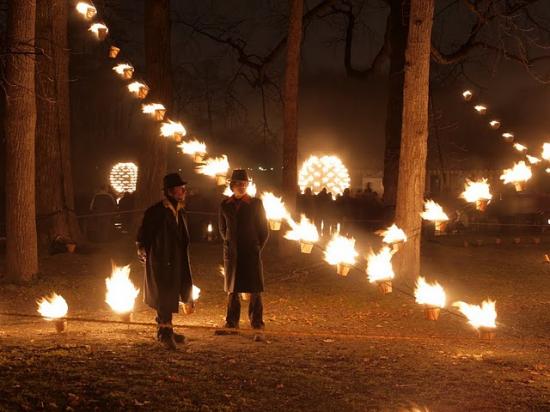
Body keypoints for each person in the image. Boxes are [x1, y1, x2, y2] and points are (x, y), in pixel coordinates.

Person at [136, 173, 194, 350]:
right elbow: (144, 234)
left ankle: (167, 329)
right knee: (163, 295)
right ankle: (164, 333)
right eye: (179, 189)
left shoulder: (180, 210)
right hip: (160, 260)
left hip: (175, 259)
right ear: (170, 191)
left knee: (171, 294)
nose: (183, 191)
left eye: (183, 188)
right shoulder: (156, 211)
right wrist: (141, 247)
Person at [218, 169, 269, 338]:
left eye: (245, 184)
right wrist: (230, 244)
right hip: (232, 254)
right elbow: (223, 229)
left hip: (250, 252)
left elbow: (263, 231)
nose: (242, 187)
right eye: (239, 184)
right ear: (232, 186)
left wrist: (255, 247)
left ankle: (257, 326)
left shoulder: (256, 204)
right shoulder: (225, 205)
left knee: (254, 289)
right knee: (232, 289)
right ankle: (231, 323)